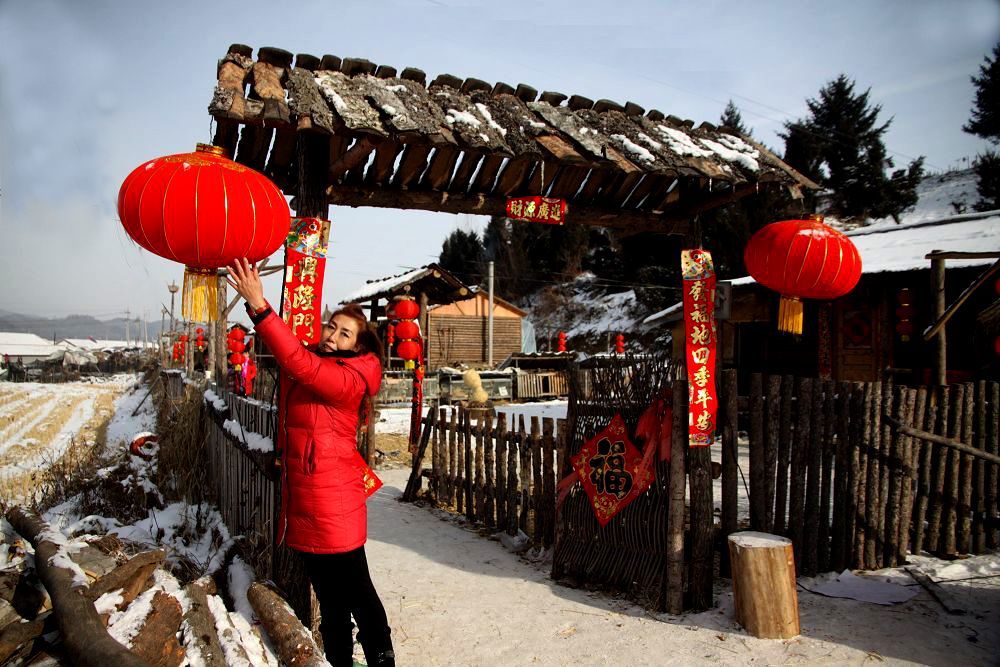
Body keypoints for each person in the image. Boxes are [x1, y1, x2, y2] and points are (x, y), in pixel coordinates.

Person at [227, 258, 395, 667]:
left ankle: (383, 660)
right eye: (331, 327)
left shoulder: (349, 377)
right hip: (306, 499)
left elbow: (298, 363)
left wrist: (260, 307)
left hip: (334, 502)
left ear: (360, 346)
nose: (333, 336)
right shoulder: (324, 363)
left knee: (359, 593)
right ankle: (338, 661)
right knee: (331, 601)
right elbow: (293, 361)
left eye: (345, 333)